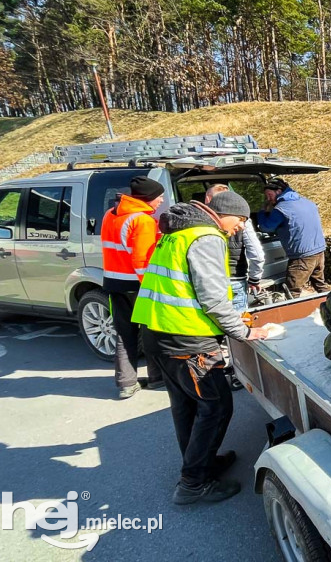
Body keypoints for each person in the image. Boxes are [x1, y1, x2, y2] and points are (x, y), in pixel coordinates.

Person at [132, 191, 269, 504]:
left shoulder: (178, 233)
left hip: (157, 331)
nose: (240, 227)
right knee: (217, 405)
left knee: (187, 406)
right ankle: (194, 482)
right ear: (225, 214)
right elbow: (212, 298)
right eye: (241, 220)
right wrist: (244, 331)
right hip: (187, 338)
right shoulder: (207, 236)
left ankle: (200, 462)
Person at [101, 176, 164, 399]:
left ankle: (127, 383)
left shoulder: (110, 214)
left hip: (113, 283)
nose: (161, 200)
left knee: (124, 334)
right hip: (137, 285)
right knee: (150, 333)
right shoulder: (143, 221)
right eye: (159, 197)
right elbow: (141, 261)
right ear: (148, 198)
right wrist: (151, 288)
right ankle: (157, 378)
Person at [257, 178, 330, 298]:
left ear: (279, 191)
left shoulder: (281, 208)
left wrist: (262, 212)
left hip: (302, 257)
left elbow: (266, 227)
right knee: (320, 284)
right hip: (319, 251)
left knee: (292, 292)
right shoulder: (306, 201)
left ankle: (293, 316)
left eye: (269, 195)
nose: (268, 199)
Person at [204, 184, 264, 312]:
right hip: (235, 279)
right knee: (239, 324)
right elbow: (257, 255)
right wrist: (254, 279)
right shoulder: (243, 222)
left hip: (208, 283)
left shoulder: (199, 221)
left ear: (208, 199)